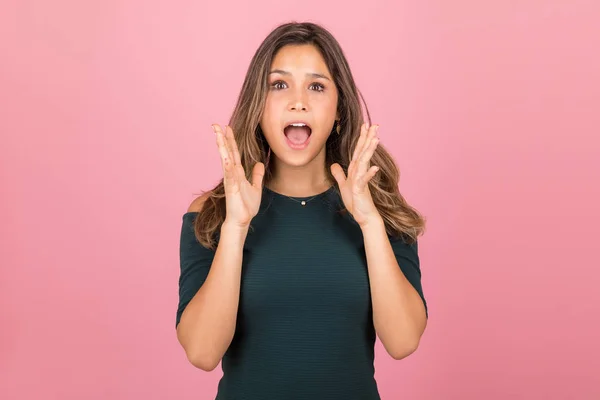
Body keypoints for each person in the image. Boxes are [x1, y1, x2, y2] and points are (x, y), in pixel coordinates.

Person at [175, 21, 428, 400]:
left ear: (340, 109)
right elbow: (202, 352)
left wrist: (370, 222)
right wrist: (236, 227)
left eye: (316, 86)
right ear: (257, 106)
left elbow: (403, 341)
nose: (298, 101)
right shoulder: (214, 214)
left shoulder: (379, 211)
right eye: (279, 85)